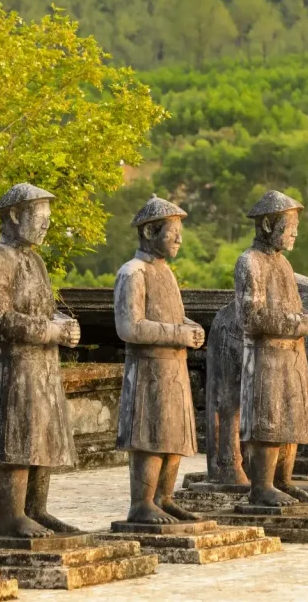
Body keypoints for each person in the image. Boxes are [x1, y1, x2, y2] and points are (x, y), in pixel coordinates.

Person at [0, 183, 81, 537]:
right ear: (16, 215)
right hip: (16, 365)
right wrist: (51, 331)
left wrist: (64, 326)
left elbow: (48, 310)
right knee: (18, 433)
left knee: (42, 433)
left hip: (43, 364)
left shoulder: (34, 261)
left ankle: (36, 509)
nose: (46, 224)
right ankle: (11, 514)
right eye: (41, 216)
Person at [114, 195, 205, 524]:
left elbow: (175, 318)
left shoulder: (165, 273)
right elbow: (129, 326)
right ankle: (142, 502)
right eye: (172, 231)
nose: (179, 238)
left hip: (174, 367)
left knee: (173, 436)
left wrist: (189, 328)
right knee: (150, 436)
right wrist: (178, 334)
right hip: (149, 368)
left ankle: (164, 498)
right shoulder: (133, 272)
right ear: (150, 231)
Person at [235, 190, 308, 506]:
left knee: (291, 420)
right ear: (267, 225)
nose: (295, 233)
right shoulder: (250, 262)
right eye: (289, 226)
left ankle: (283, 481)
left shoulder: (284, 265)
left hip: (292, 354)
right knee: (269, 421)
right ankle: (261, 486)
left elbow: (294, 308)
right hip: (267, 355)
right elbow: (253, 316)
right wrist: (301, 323)